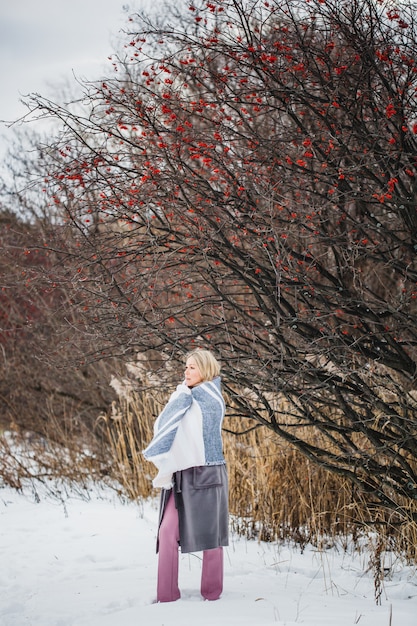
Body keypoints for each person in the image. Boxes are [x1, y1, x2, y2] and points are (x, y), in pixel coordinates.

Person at [143, 348, 229, 603]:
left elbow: (196, 430)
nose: (186, 372)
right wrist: (182, 394)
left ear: (206, 369)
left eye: (192, 367)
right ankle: (167, 595)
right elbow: (166, 424)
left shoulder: (210, 399)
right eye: (186, 367)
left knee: (211, 535)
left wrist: (182, 395)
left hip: (207, 470)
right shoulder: (185, 395)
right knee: (167, 531)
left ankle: (212, 593)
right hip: (180, 472)